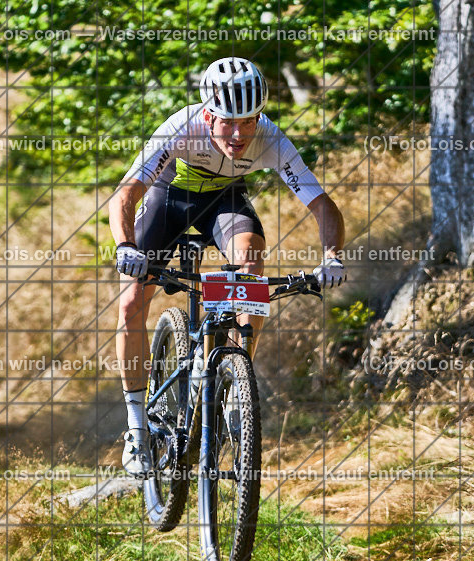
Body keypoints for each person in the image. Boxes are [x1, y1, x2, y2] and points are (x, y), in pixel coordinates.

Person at [110, 57, 346, 476]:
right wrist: (126, 245)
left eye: (249, 121)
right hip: (171, 198)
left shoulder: (271, 138)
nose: (239, 134)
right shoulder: (181, 127)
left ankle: (234, 381)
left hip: (225, 202)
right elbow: (126, 194)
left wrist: (331, 255)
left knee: (250, 265)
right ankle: (135, 427)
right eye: (227, 122)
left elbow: (321, 204)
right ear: (207, 114)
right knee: (131, 303)